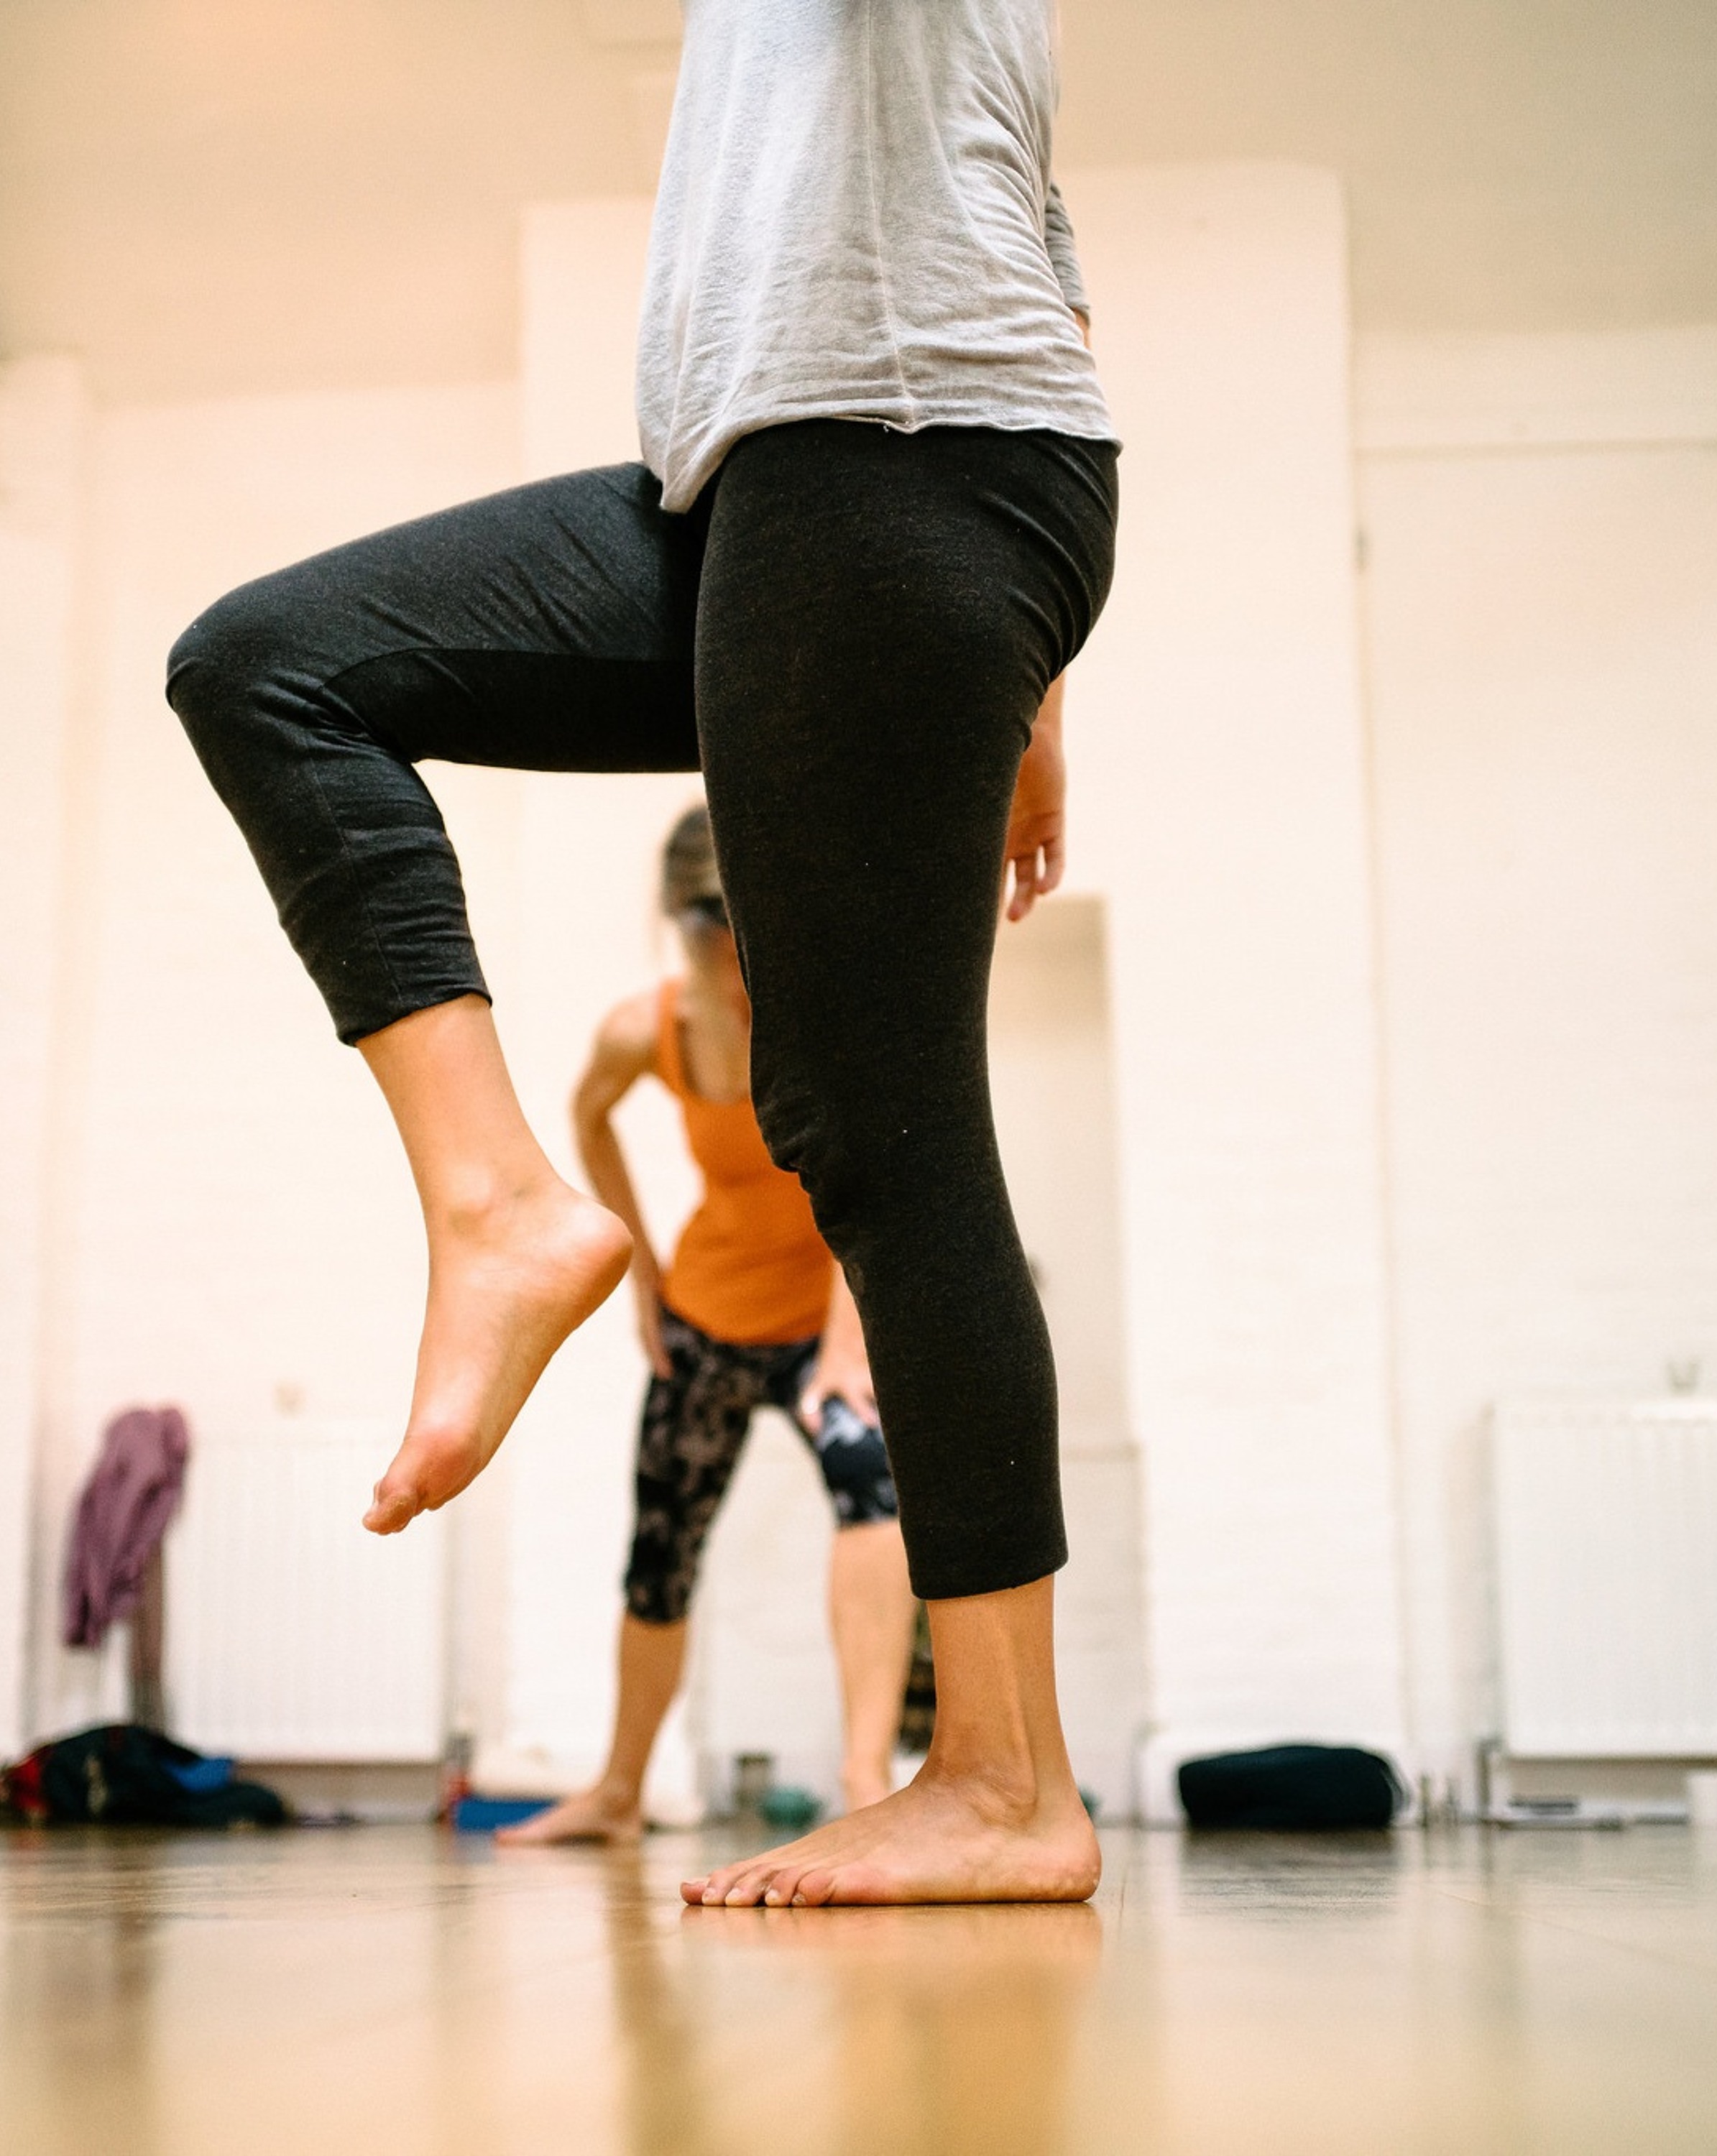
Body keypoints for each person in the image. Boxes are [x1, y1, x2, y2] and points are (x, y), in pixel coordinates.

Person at [167, 0, 1118, 1904]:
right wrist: (1040, 693)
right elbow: (1038, 223)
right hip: (772, 481)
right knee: (270, 667)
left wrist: (1032, 672)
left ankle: (1010, 1785)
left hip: (896, 451)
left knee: (877, 1125)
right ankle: (502, 1209)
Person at [502, 808, 915, 1843]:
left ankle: (866, 1781)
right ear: (685, 930)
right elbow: (587, 1116)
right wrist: (636, 1274)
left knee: (874, 1490)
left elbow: (871, 1178)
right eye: (716, 940)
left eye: (748, 935)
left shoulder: (824, 1008)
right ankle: (617, 1793)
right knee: (660, 1552)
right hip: (707, 1320)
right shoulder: (648, 1030)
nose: (737, 962)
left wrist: (846, 1339)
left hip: (824, 1321)